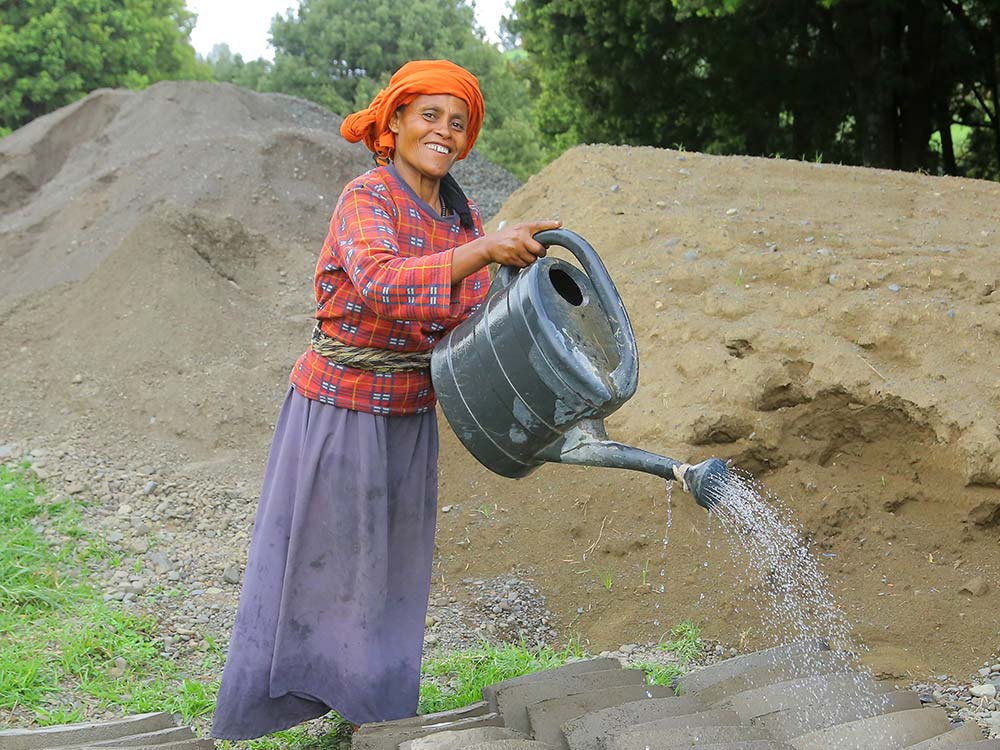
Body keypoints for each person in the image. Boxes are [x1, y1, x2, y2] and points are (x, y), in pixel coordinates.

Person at [210, 59, 561, 741]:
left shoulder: (459, 214)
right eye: (430, 115)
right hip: (339, 411)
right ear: (395, 121)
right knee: (317, 562)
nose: (444, 132)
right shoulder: (365, 197)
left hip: (407, 417)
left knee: (388, 574)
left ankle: (372, 713)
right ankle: (275, 701)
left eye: (458, 123)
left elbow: (466, 315)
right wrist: (486, 251)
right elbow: (382, 283)